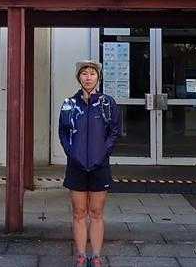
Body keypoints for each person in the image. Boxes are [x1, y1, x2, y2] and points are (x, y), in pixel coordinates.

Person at [58, 60, 121, 267]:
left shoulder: (107, 104)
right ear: (79, 77)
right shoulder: (69, 103)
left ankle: (96, 256)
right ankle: (81, 255)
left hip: (99, 166)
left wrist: (102, 153)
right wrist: (72, 153)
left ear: (98, 77)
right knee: (79, 213)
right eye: (84, 73)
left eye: (92, 73)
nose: (88, 77)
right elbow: (63, 132)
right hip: (76, 166)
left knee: (96, 213)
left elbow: (114, 132)